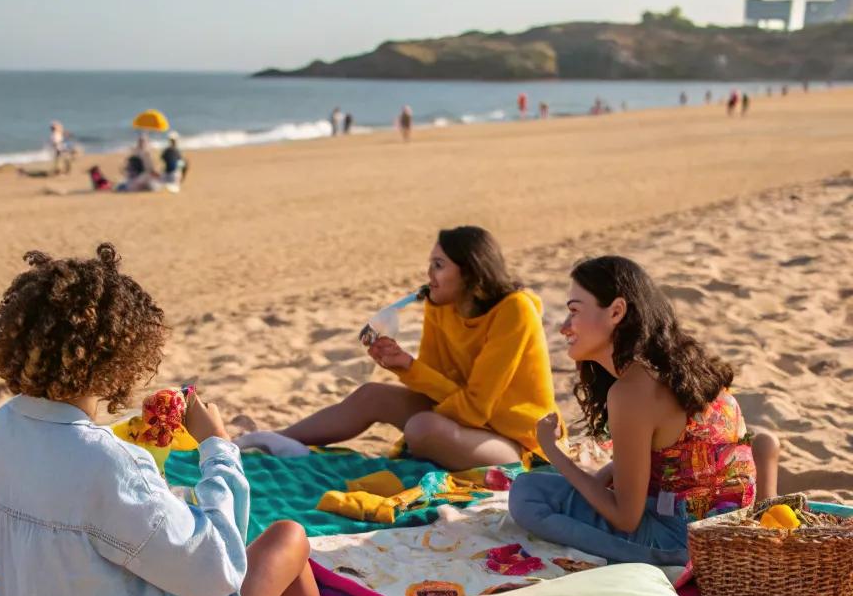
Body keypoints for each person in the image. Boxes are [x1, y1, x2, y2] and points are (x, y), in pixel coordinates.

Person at [0, 244, 319, 596]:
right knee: (288, 538)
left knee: (251, 547)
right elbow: (213, 571)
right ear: (121, 359)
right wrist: (218, 449)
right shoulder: (108, 462)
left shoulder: (2, 428)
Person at [508, 256, 757, 566]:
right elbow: (675, 459)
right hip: (728, 525)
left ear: (616, 312)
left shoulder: (632, 391)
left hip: (688, 543)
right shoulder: (676, 369)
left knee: (527, 494)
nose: (563, 327)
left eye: (574, 311)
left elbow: (626, 518)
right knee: (549, 485)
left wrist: (552, 451)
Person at [266, 227, 559, 470]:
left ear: (471, 272)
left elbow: (475, 410)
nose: (429, 274)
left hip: (517, 442)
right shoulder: (440, 305)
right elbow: (433, 387)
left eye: (439, 265)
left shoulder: (514, 310)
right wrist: (402, 366)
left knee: (422, 428)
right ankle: (271, 440)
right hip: (457, 418)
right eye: (431, 263)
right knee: (372, 395)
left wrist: (411, 368)